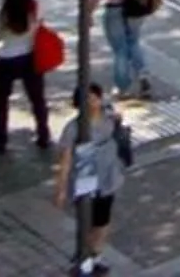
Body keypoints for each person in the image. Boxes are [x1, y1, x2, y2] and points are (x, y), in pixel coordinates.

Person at [53, 80, 133, 276]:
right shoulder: (73, 128)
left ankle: (95, 256)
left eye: (94, 98)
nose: (92, 103)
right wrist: (61, 189)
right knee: (87, 220)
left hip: (107, 175)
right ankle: (84, 257)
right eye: (86, 99)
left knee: (102, 220)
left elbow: (119, 118)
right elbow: (65, 160)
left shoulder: (108, 115)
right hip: (85, 177)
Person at [0, 0, 52, 154]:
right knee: (37, 99)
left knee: (1, 101)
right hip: (29, 57)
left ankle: (1, 140)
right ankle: (43, 135)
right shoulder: (35, 8)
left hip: (4, 58)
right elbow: (40, 23)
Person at [102, 0, 162, 101]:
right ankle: (143, 74)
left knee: (120, 49)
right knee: (134, 42)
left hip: (115, 8)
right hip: (137, 8)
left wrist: (88, 10)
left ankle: (122, 86)